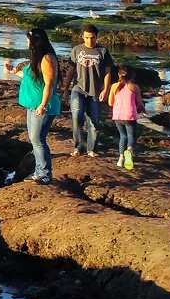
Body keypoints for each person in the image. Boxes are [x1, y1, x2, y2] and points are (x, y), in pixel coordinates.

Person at [7, 28, 60, 184]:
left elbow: (49, 84)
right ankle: (39, 172)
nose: (26, 42)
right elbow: (28, 76)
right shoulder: (36, 58)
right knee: (34, 139)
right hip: (32, 105)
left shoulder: (47, 58)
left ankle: (44, 174)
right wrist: (12, 72)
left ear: (35, 40)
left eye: (28, 39)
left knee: (38, 140)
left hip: (42, 106)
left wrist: (43, 105)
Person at [68, 24, 116, 157]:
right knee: (77, 116)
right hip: (78, 89)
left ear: (97, 37)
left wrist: (106, 89)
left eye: (92, 38)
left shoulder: (103, 51)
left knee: (94, 122)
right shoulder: (76, 50)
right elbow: (71, 70)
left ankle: (91, 149)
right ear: (82, 37)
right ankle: (78, 146)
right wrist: (65, 88)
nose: (90, 40)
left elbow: (107, 72)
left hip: (95, 91)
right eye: (87, 37)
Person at [108, 66, 142, 171]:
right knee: (131, 135)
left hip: (118, 115)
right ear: (132, 76)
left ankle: (120, 159)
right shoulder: (134, 87)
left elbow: (110, 102)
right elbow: (139, 103)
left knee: (122, 136)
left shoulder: (114, 86)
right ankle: (130, 149)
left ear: (119, 75)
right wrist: (142, 109)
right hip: (130, 115)